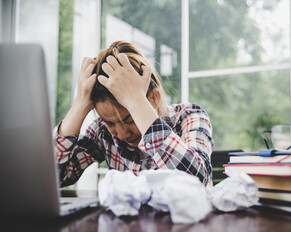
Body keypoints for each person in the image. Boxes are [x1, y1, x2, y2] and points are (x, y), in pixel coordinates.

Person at [53, 40, 214, 187]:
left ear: (155, 97)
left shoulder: (190, 116)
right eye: (110, 123)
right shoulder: (101, 131)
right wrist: (79, 106)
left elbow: (196, 181)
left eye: (129, 119)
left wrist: (137, 102)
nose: (122, 134)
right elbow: (53, 178)